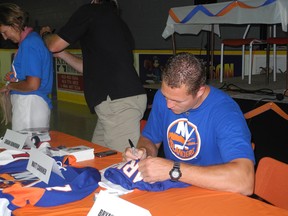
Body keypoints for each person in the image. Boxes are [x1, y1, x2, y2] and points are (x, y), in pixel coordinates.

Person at [123, 52, 255, 196]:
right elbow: (150, 139)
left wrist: (174, 169)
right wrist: (143, 152)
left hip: (215, 195)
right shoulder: (163, 98)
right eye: (166, 96)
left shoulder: (226, 112)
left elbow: (245, 182)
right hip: (174, 190)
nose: (168, 105)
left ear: (199, 91)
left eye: (178, 101)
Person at [40, 0, 147, 152]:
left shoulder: (90, 11)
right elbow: (90, 68)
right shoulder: (117, 24)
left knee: (123, 164)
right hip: (116, 103)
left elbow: (53, 44)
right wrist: (63, 55)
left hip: (117, 104)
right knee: (99, 156)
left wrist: (46, 34)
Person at [0, 3, 53, 132]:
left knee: (25, 150)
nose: (5, 37)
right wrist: (17, 78)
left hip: (30, 106)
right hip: (30, 104)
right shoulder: (28, 42)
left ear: (15, 24)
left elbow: (32, 84)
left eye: (5, 32)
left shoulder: (30, 44)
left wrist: (10, 86)